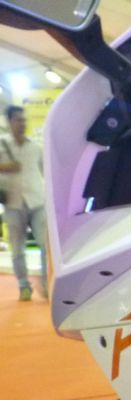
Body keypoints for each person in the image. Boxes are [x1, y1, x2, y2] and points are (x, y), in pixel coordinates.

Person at [0, 105, 46, 302]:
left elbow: (45, 172)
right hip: (13, 204)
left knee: (45, 245)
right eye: (18, 120)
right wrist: (4, 167)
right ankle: (24, 285)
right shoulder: (2, 145)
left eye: (24, 120)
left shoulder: (36, 147)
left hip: (37, 202)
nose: (22, 123)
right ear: (9, 121)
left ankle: (47, 283)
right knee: (18, 249)